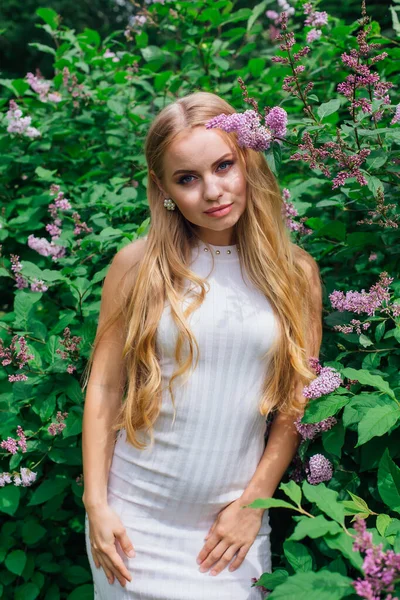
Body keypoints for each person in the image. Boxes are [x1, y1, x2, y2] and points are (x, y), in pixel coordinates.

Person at [81, 91, 323, 599]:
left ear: (248, 162)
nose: (212, 191)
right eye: (187, 179)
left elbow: (294, 405)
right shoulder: (138, 265)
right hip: (132, 522)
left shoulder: (294, 273)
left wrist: (251, 507)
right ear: (164, 189)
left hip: (229, 532)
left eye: (223, 166)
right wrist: (97, 505)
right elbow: (104, 387)